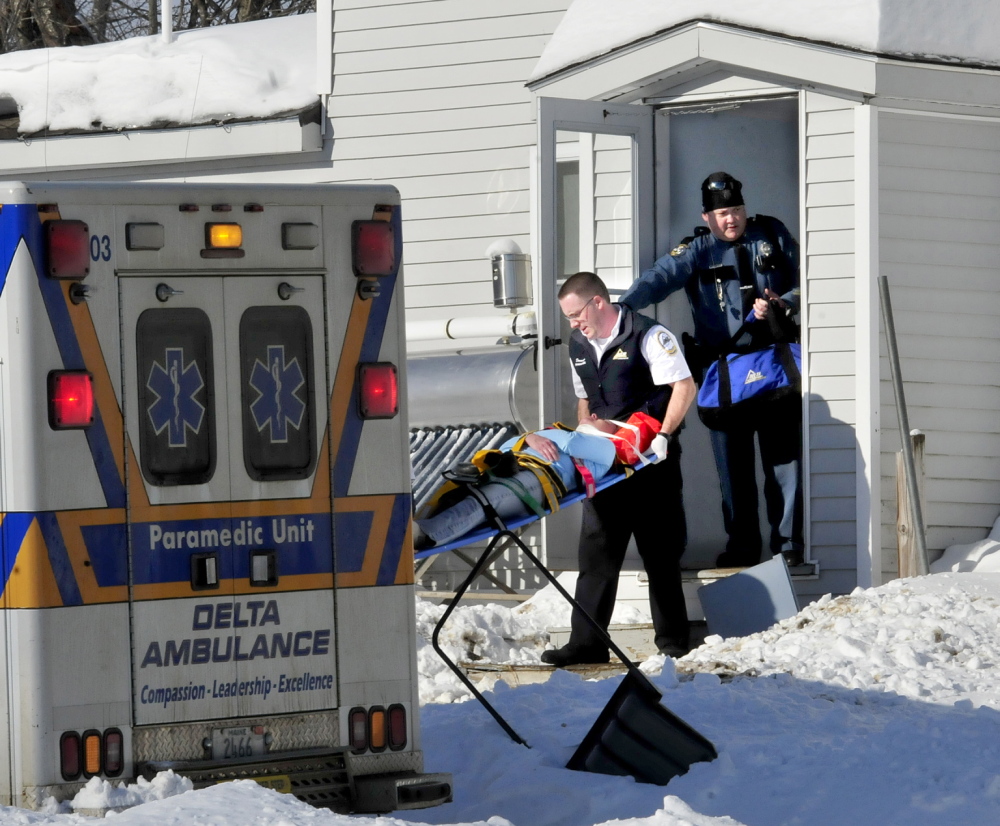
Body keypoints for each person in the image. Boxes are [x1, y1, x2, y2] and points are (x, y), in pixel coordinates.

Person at [619, 171, 804, 569]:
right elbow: (658, 279)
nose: (731, 219)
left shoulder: (771, 233)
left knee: (783, 463)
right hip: (725, 375)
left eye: (736, 209)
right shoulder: (696, 250)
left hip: (774, 367)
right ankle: (742, 548)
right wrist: (622, 311)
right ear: (707, 216)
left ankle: (788, 546)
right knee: (733, 471)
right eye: (722, 213)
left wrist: (783, 302)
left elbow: (809, 279)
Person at [540, 272, 697, 667]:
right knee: (595, 555)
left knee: (659, 553)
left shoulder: (647, 334)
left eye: (577, 314)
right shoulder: (578, 343)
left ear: (598, 302)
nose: (573, 324)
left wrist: (664, 434)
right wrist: (583, 436)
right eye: (568, 317)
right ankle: (587, 643)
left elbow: (683, 386)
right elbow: (585, 399)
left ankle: (674, 642)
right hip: (606, 464)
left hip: (650, 461)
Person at [413, 425, 619, 550]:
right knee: (456, 493)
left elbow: (570, 442)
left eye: (602, 418)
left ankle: (423, 535)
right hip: (513, 470)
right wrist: (531, 437)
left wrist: (533, 436)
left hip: (537, 481)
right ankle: (417, 527)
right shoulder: (559, 435)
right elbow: (505, 446)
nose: (592, 414)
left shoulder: (606, 448)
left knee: (485, 500)